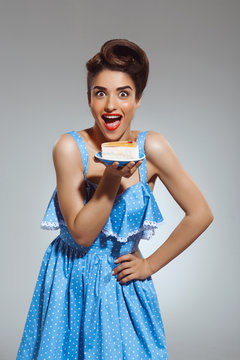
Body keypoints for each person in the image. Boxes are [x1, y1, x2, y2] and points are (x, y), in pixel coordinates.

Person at [16, 39, 214, 360]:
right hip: (70, 282)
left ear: (137, 100)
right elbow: (81, 235)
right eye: (100, 93)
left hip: (122, 282)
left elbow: (201, 213)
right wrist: (111, 179)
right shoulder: (69, 148)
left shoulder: (153, 147)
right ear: (89, 99)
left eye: (123, 93)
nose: (111, 105)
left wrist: (149, 264)